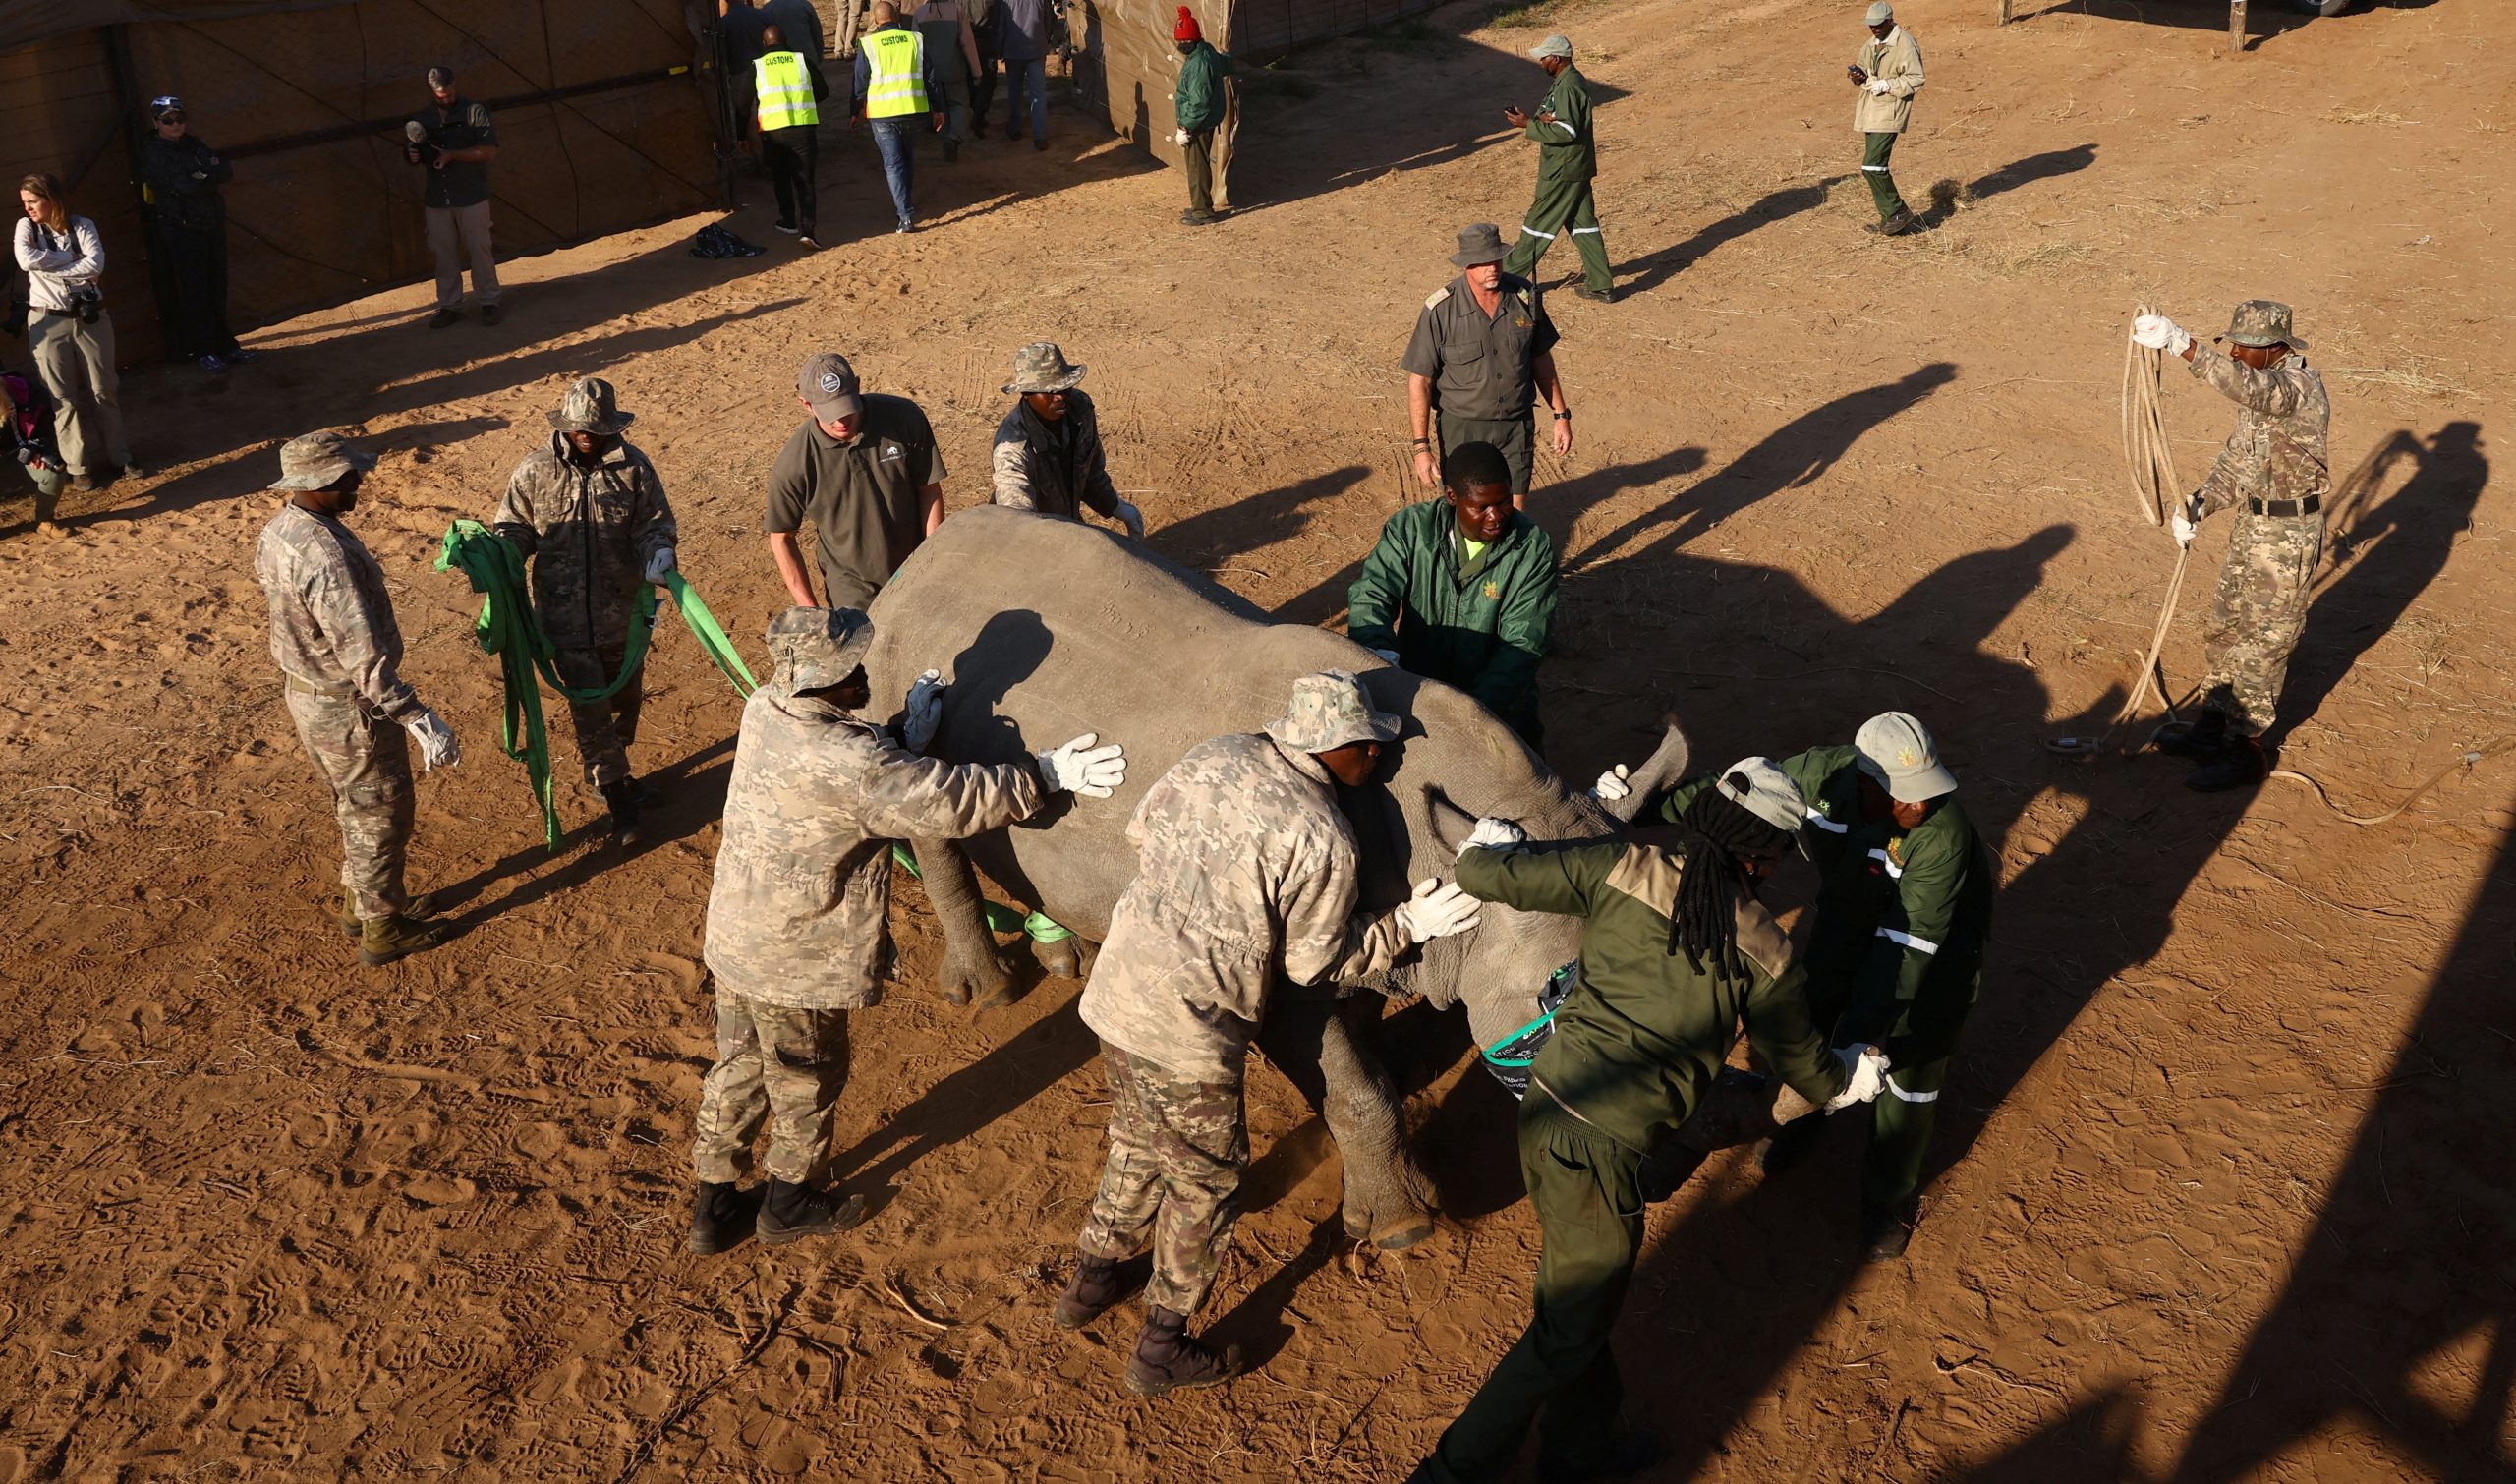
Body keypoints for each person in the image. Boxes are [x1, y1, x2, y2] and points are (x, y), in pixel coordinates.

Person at [1408, 763, 1888, 1483]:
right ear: (1765, 857)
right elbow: (1809, 1073)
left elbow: (1485, 875)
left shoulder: (1623, 866)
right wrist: (1851, 1074)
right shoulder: (1767, 955)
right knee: (1564, 1332)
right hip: (1605, 1155)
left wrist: (1486, 844)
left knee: (1578, 1306)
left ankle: (1579, 1451)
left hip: (1543, 1112)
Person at [1054, 670, 1483, 1396]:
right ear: (1335, 747)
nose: (1377, 759)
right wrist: (1412, 925)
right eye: (1368, 749)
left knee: (1135, 1141)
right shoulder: (1322, 834)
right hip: (1188, 1032)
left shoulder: (1217, 752)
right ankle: (1162, 1344)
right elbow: (1317, 963)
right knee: (1205, 1182)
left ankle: (1092, 1281)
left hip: (1118, 991)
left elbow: (1143, 831)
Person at [691, 604, 1126, 1251]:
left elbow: (855, 774)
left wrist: (900, 734)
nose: (861, 675)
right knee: (807, 1078)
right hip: (797, 959)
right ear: (819, 681)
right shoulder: (853, 763)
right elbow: (953, 801)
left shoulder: (766, 708)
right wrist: (1047, 774)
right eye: (849, 672)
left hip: (738, 938)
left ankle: (714, 1203)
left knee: (738, 1065)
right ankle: (790, 1199)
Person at [1599, 712, 1992, 1259]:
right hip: (1847, 920)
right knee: (1815, 1021)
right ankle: (1806, 1120)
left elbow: (1906, 950)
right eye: (1906, 795)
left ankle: (1889, 1195)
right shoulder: (1819, 778)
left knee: (1908, 1072)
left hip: (1935, 950)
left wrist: (1863, 1039)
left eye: (1927, 790)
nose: (1920, 806)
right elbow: (1734, 804)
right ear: (1863, 781)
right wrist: (1635, 803)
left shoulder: (1941, 835)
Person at [254, 432, 462, 966]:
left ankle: (363, 902)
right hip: (350, 706)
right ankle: (383, 929)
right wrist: (416, 716)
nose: (359, 484)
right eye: (349, 478)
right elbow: (363, 658)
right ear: (321, 483)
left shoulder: (281, 530)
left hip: (307, 694)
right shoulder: (327, 556)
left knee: (354, 805)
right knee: (381, 811)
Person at [2131, 301, 2331, 791]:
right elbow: (2237, 461)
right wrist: (2198, 503)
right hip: (2252, 524)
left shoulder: (2295, 388)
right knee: (2225, 626)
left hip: (2288, 535)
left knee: (2266, 641)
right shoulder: (2260, 396)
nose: (2238, 354)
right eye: (2234, 345)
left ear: (2277, 348)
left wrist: (2185, 347)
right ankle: (2212, 726)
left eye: (2248, 347)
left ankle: (2247, 750)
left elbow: (2251, 387)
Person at [490, 377, 680, 847]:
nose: (586, 436)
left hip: (624, 616)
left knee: (626, 700)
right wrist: (504, 554)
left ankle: (612, 771)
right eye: (578, 428)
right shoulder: (535, 470)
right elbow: (514, 525)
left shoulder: (633, 469)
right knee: (590, 708)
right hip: (563, 620)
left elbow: (654, 524)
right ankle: (620, 808)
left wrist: (660, 552)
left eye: (594, 429)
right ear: (565, 426)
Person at [1346, 440, 1557, 742]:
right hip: (1416, 694)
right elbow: (1371, 598)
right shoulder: (1410, 529)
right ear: (1451, 497)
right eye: (1481, 506)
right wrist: (1386, 669)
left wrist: (1470, 714)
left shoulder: (1533, 548)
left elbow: (1523, 645)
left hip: (1498, 711)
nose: (1496, 516)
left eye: (1503, 502)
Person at [1401, 222, 1571, 510]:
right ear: (1466, 265)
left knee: (1515, 511)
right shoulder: (1441, 310)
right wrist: (1421, 448)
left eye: (1496, 259)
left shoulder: (1524, 297)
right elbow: (1420, 381)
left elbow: (1540, 357)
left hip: (1515, 425)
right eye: (1482, 262)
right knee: (1468, 512)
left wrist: (1560, 414)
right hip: (1463, 428)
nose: (1491, 268)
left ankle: (1510, 556)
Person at [767, 351, 947, 610]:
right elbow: (781, 537)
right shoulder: (794, 464)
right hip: (852, 587)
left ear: (859, 386)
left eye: (846, 408)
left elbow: (928, 490)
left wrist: (931, 558)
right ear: (806, 405)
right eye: (830, 414)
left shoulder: (904, 418)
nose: (842, 421)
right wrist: (811, 610)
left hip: (914, 564)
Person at [14, 173, 136, 491]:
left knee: (104, 388)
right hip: (47, 320)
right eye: (24, 202)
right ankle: (78, 466)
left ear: (52, 198)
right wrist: (71, 258)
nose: (28, 208)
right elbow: (26, 260)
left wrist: (52, 266)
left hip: (90, 318)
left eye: (34, 201)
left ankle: (119, 456)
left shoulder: (83, 225)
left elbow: (96, 265)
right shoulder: (26, 228)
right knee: (61, 397)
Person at [135, 96, 251, 373]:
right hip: (181, 230)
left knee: (217, 285)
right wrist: (201, 175)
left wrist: (200, 176)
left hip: (210, 224)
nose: (175, 125)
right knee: (194, 290)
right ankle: (203, 349)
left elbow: (223, 170)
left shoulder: (194, 143)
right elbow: (180, 185)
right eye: (168, 120)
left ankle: (227, 345)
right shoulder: (153, 151)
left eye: (179, 119)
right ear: (156, 122)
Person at [1498, 35, 1611, 303]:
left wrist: (1529, 125)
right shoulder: (1569, 82)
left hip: (1562, 171)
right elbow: (1564, 121)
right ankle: (1600, 284)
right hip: (1575, 168)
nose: (1540, 62)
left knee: (1538, 224)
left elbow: (1568, 130)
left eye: (1544, 58)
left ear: (1557, 59)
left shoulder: (1567, 88)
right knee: (1583, 226)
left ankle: (1506, 281)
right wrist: (1539, 119)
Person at [989, 342, 1143, 536]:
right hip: (1031, 535)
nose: (1060, 396)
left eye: (1065, 387)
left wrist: (1117, 507)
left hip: (1068, 523)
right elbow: (1017, 516)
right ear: (1026, 394)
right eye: (1050, 391)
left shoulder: (1079, 408)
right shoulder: (1012, 446)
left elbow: (1090, 473)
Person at [405, 66, 502, 327]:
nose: (445, 98)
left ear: (455, 85)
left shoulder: (474, 111)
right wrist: (413, 156)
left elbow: (489, 152)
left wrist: (452, 155)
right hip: (438, 198)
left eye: (448, 93)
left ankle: (489, 301)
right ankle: (450, 306)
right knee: (444, 254)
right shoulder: (422, 118)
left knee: (480, 251)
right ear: (431, 91)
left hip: (471, 195)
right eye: (440, 95)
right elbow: (417, 152)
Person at [853, 2, 944, 233]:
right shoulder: (916, 39)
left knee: (893, 164)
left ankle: (904, 214)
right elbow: (930, 77)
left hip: (882, 115)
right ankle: (906, 201)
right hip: (913, 111)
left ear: (875, 19)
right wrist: (938, 108)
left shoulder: (869, 44)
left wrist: (854, 111)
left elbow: (860, 81)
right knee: (907, 158)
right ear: (897, 17)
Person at [1848, 1, 1924, 237]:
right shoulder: (1871, 44)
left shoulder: (1905, 43)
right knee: (1872, 166)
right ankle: (1890, 218)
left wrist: (1887, 84)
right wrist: (1857, 76)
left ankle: (1897, 211)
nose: (1874, 29)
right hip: (1871, 108)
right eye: (1871, 26)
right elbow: (1862, 70)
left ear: (1890, 20)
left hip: (1890, 108)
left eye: (1879, 25)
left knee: (1872, 165)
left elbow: (1916, 78)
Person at [754, 22, 829, 246]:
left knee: (781, 176)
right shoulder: (801, 60)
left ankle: (788, 220)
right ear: (786, 41)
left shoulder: (758, 66)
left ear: (764, 43)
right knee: (805, 180)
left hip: (773, 130)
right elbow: (823, 90)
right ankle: (808, 230)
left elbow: (741, 100)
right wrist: (805, 103)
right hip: (803, 127)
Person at [1171, 8, 1230, 226]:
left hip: (1198, 123)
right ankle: (1200, 204)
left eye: (1187, 39)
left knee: (1197, 166)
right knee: (1199, 164)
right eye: (1180, 39)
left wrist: (1185, 127)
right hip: (1206, 119)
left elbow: (1198, 103)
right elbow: (1226, 65)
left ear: (1195, 38)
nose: (1183, 43)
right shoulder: (1206, 51)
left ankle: (1203, 212)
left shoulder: (1198, 64)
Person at [2, 368, 71, 539]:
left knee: (52, 472)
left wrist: (37, 449)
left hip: (20, 449)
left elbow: (44, 426)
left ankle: (44, 519)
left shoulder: (28, 393)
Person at [915, 0, 983, 162]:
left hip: (931, 71)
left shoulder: (920, 13)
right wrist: (977, 71)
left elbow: (916, 46)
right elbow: (968, 42)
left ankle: (946, 141)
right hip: (955, 69)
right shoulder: (957, 11)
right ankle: (953, 137)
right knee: (960, 106)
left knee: (940, 109)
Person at [995, 0, 1051, 147]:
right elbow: (1048, 21)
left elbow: (1002, 27)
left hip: (1013, 51)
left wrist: (999, 50)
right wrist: (1045, 40)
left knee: (1015, 91)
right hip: (1037, 50)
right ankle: (1040, 137)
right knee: (1038, 95)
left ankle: (1015, 129)